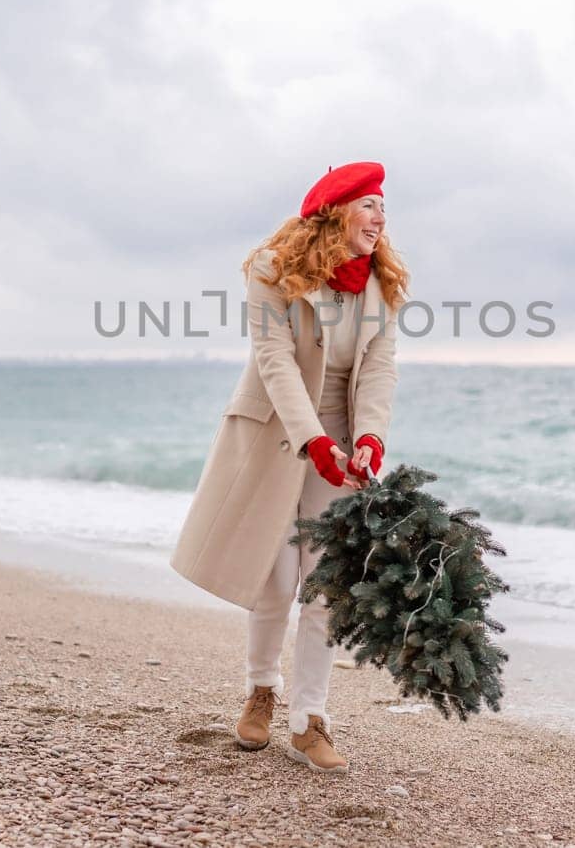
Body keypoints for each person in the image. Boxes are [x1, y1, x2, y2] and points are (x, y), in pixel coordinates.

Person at [170, 161, 407, 773]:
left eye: (384, 207)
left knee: (327, 581)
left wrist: (369, 439)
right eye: (370, 205)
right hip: (280, 434)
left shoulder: (383, 286)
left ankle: (309, 719)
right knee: (275, 577)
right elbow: (274, 361)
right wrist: (315, 443)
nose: (381, 219)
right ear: (336, 211)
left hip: (343, 441)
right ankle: (261, 690)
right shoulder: (272, 272)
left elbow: (379, 368)